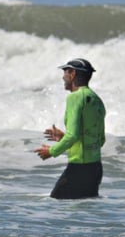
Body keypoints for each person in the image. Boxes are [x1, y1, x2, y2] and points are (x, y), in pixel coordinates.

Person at [35, 58, 106, 199]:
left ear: (72, 74)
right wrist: (63, 137)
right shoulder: (97, 100)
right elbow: (99, 140)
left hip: (78, 170)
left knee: (55, 207)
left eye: (65, 73)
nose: (63, 77)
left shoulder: (75, 97)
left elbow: (73, 135)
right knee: (85, 215)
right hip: (95, 169)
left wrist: (52, 151)